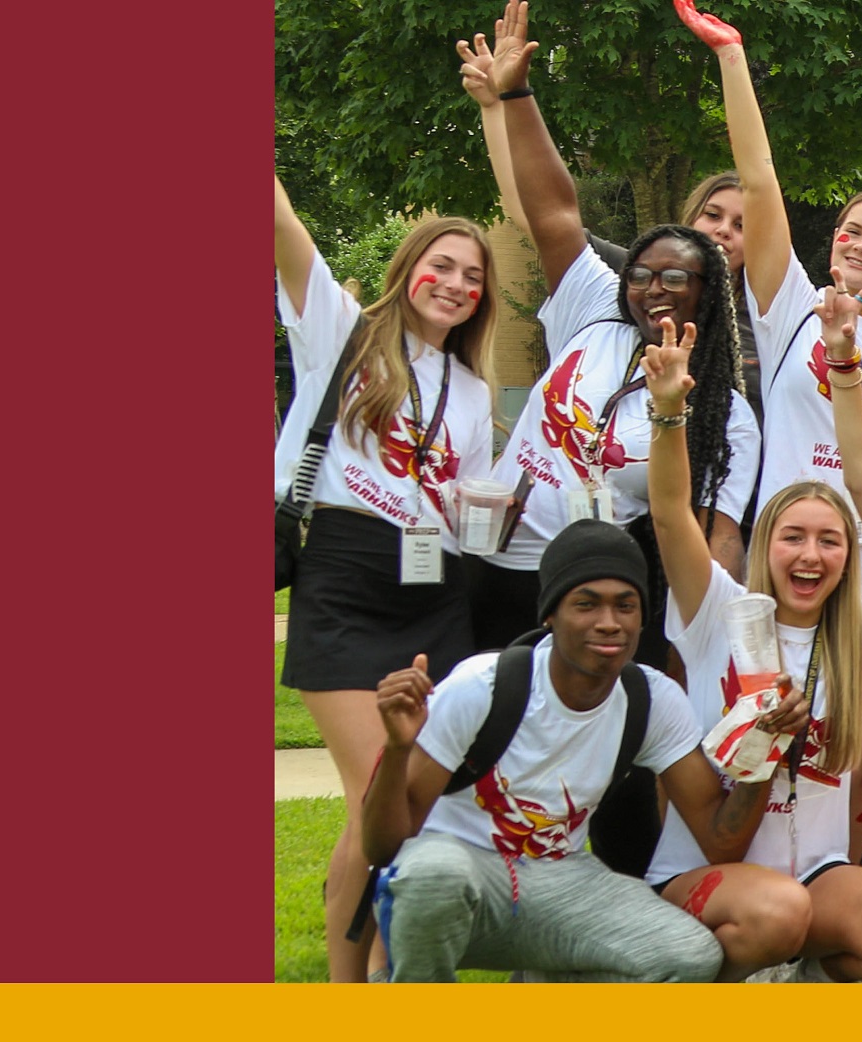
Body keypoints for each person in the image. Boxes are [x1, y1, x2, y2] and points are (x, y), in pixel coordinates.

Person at [637, 283, 862, 982]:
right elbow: (669, 512)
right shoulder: (717, 607)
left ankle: (801, 980)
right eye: (794, 537)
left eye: (830, 542)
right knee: (776, 914)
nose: (811, 555)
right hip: (707, 877)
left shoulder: (860, 629)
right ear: (767, 543)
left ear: (847, 558)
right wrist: (669, 414)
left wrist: (845, 372)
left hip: (818, 873)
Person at [463, 3, 758, 665]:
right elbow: (552, 210)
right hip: (489, 565)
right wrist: (515, 94)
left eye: (676, 278)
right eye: (643, 273)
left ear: (707, 294)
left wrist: (726, 657)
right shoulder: (597, 306)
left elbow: (717, 545)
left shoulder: (723, 410)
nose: (654, 287)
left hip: (592, 598)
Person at [357, 518, 764, 983]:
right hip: (462, 877)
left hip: (559, 880)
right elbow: (384, 846)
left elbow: (718, 838)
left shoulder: (651, 699)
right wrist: (396, 749)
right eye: (586, 605)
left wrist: (762, 752)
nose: (608, 623)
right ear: (550, 613)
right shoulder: (481, 686)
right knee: (433, 874)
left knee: (688, 956)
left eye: (625, 606)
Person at [273, 175, 500, 981]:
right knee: (378, 789)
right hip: (343, 575)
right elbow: (281, 221)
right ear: (409, 268)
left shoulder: (473, 392)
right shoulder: (341, 329)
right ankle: (349, 993)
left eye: (474, 277)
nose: (456, 285)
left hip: (434, 596)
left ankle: (379, 978)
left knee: (409, 806)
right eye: (442, 266)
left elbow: (468, 513)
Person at [689, 0, 862, 592]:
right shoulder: (790, 309)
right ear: (834, 240)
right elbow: (759, 180)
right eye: (852, 232)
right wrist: (732, 57)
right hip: (792, 554)